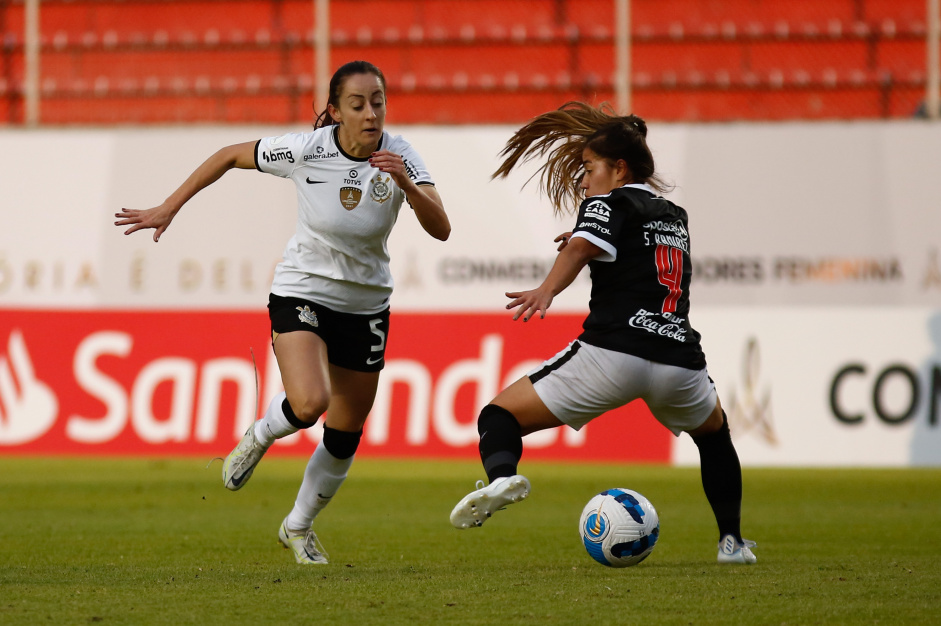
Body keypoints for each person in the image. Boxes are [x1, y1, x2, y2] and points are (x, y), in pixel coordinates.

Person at [115, 60, 450, 565]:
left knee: (344, 432)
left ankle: (298, 526)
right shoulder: (306, 150)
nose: (370, 113)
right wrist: (169, 206)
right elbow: (230, 155)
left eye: (377, 101)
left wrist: (407, 184)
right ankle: (260, 434)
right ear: (336, 112)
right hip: (303, 290)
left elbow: (441, 227)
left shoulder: (401, 155)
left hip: (366, 305)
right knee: (310, 400)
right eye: (357, 104)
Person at [449, 101, 755, 565]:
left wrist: (546, 290)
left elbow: (580, 249)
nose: (584, 179)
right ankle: (731, 542)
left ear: (619, 167)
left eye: (590, 167)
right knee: (714, 437)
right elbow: (624, 252)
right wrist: (584, 237)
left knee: (498, 416)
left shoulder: (608, 203)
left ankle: (502, 477)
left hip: (614, 353)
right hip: (679, 361)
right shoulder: (674, 214)